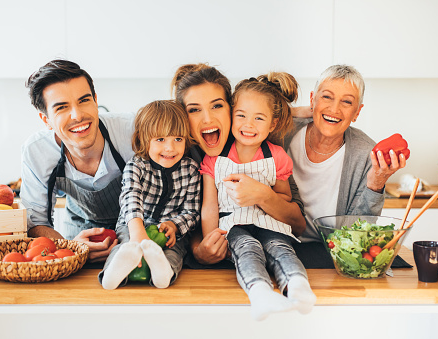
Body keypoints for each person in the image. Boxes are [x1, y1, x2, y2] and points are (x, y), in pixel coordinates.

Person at [200, 73, 316, 320]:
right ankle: (260, 292)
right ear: (231, 115)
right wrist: (211, 240)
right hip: (232, 225)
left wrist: (262, 196)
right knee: (248, 247)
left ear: (272, 125)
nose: (248, 124)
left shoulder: (277, 157)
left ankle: (298, 288)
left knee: (281, 248)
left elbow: (284, 199)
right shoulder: (214, 159)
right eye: (241, 115)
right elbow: (209, 207)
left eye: (259, 118)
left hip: (268, 222)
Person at [171, 64, 307, 266]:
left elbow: (298, 225)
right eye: (194, 110)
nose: (207, 119)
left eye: (217, 105)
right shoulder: (173, 152)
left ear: (231, 108)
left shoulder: (264, 149)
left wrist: (263, 195)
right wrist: (199, 250)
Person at [21, 60, 134, 262]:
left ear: (96, 100)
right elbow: (36, 222)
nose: (78, 115)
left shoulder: (131, 132)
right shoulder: (37, 151)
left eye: (84, 100)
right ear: (46, 119)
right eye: (62, 107)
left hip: (134, 233)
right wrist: (71, 248)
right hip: (76, 237)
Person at [284, 64, 407, 243]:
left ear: (357, 112)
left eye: (347, 102)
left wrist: (375, 184)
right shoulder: (283, 133)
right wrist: (290, 112)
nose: (335, 109)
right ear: (312, 100)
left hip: (331, 254)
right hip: (279, 245)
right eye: (327, 97)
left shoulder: (366, 154)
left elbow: (357, 235)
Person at [100, 100, 201, 289]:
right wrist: (138, 232)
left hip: (169, 230)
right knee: (124, 246)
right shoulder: (136, 165)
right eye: (160, 139)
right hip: (134, 224)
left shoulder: (191, 169)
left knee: (175, 251)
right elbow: (131, 197)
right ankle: (112, 275)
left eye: (178, 139)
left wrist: (175, 226)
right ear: (143, 139)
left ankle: (164, 274)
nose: (170, 148)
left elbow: (192, 211)